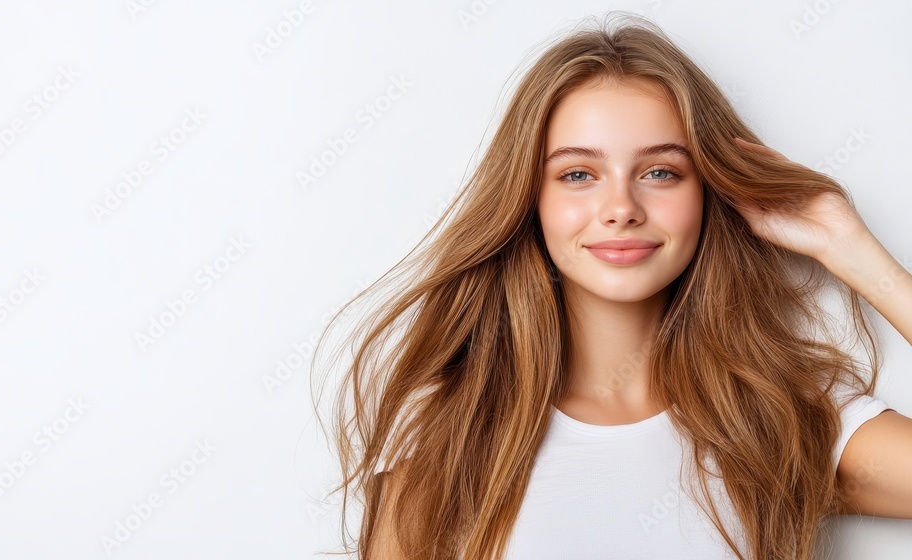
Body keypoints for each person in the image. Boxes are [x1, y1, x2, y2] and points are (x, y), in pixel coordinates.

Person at [311, 11, 912, 560]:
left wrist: (851, 249)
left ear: (709, 192)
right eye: (578, 174)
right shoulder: (449, 430)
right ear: (530, 200)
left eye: (660, 172)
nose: (620, 207)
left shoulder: (782, 417)